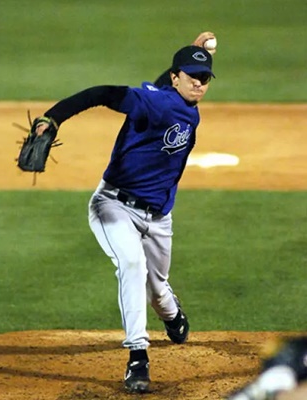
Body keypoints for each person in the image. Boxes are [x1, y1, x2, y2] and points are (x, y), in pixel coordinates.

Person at [31, 34, 216, 393]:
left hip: (159, 217)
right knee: (131, 265)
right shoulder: (153, 102)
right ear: (175, 77)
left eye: (204, 78)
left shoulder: (179, 98)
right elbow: (102, 93)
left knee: (158, 290)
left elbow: (169, 89)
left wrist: (190, 55)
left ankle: (171, 312)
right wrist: (54, 117)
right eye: (191, 76)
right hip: (113, 205)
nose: (198, 83)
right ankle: (137, 356)